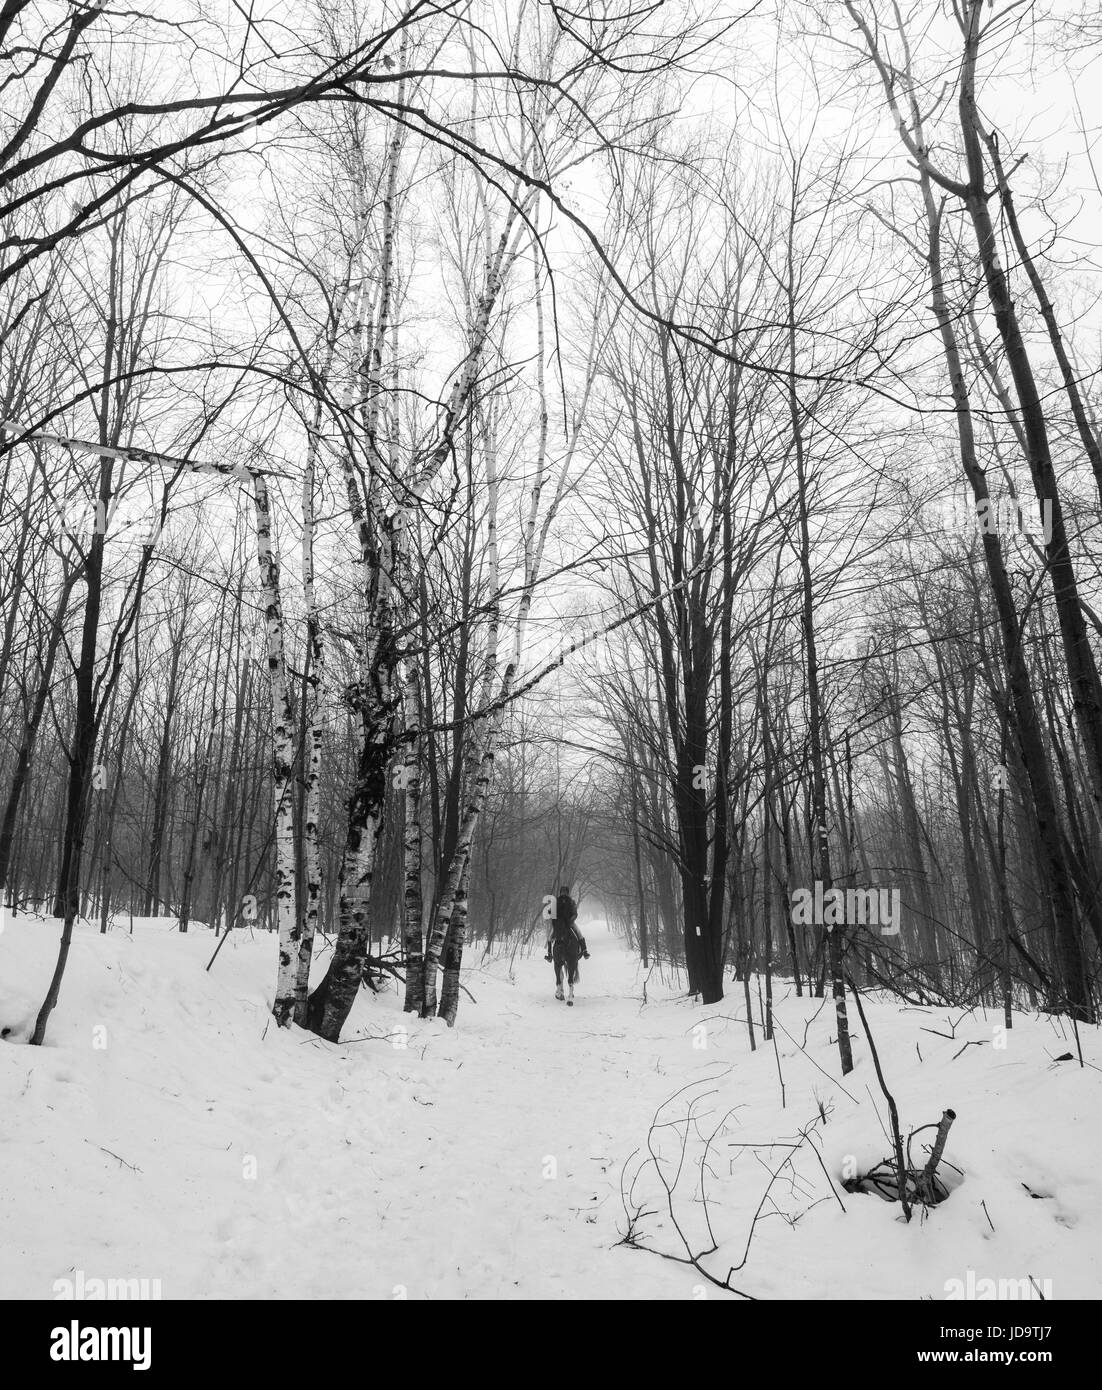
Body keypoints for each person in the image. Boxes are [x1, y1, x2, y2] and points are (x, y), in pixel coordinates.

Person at [544, 885, 588, 961]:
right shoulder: (556, 901)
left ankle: (584, 951)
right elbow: (552, 911)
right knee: (550, 936)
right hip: (559, 924)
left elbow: (575, 914)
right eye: (562, 892)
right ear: (560, 893)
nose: (563, 894)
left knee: (579, 933)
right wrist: (550, 912)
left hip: (569, 923)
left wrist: (570, 921)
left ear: (567, 893)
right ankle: (549, 954)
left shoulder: (571, 902)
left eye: (565, 892)